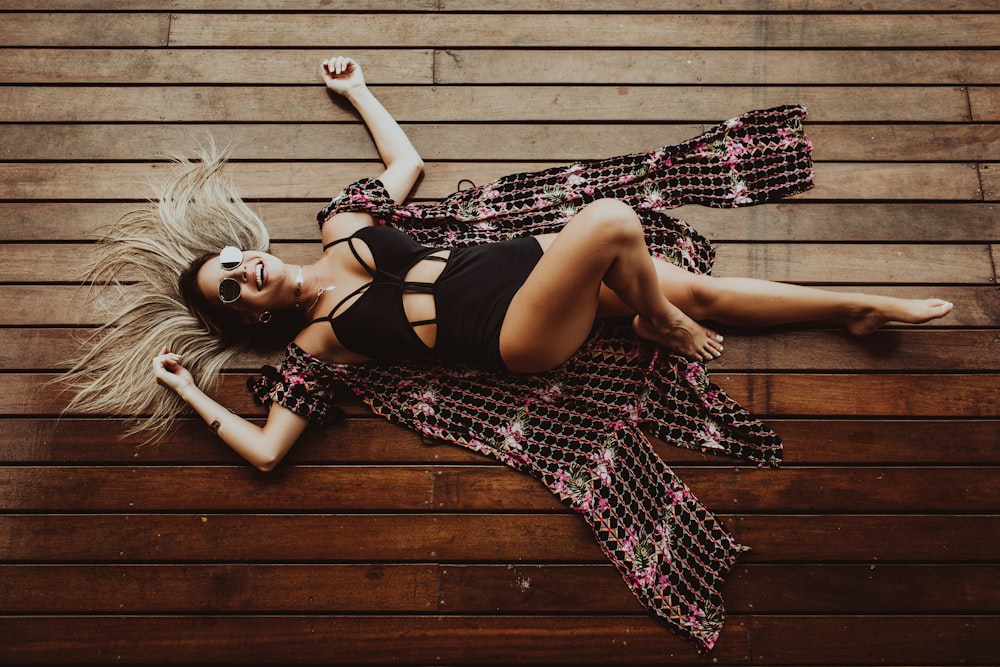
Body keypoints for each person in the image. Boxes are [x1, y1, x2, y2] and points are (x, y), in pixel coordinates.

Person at [66, 56, 952, 652]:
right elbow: (266, 452)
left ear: (242, 243)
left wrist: (359, 89)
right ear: (248, 317)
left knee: (697, 287)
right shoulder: (315, 343)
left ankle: (859, 308)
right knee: (611, 222)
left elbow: (404, 160)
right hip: (518, 336)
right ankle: (659, 324)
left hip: (527, 265)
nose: (243, 273)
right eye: (233, 291)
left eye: (231, 262)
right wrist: (190, 392)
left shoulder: (342, 221)